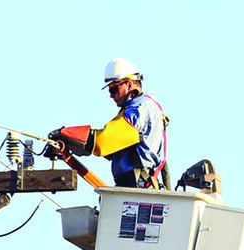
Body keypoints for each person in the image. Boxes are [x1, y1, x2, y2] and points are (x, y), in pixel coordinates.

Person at [49, 58, 170, 188]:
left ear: (129, 85)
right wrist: (71, 144)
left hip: (137, 184)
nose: (111, 95)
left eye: (113, 89)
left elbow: (104, 141)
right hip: (133, 183)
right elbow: (110, 150)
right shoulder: (140, 107)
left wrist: (65, 133)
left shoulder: (140, 108)